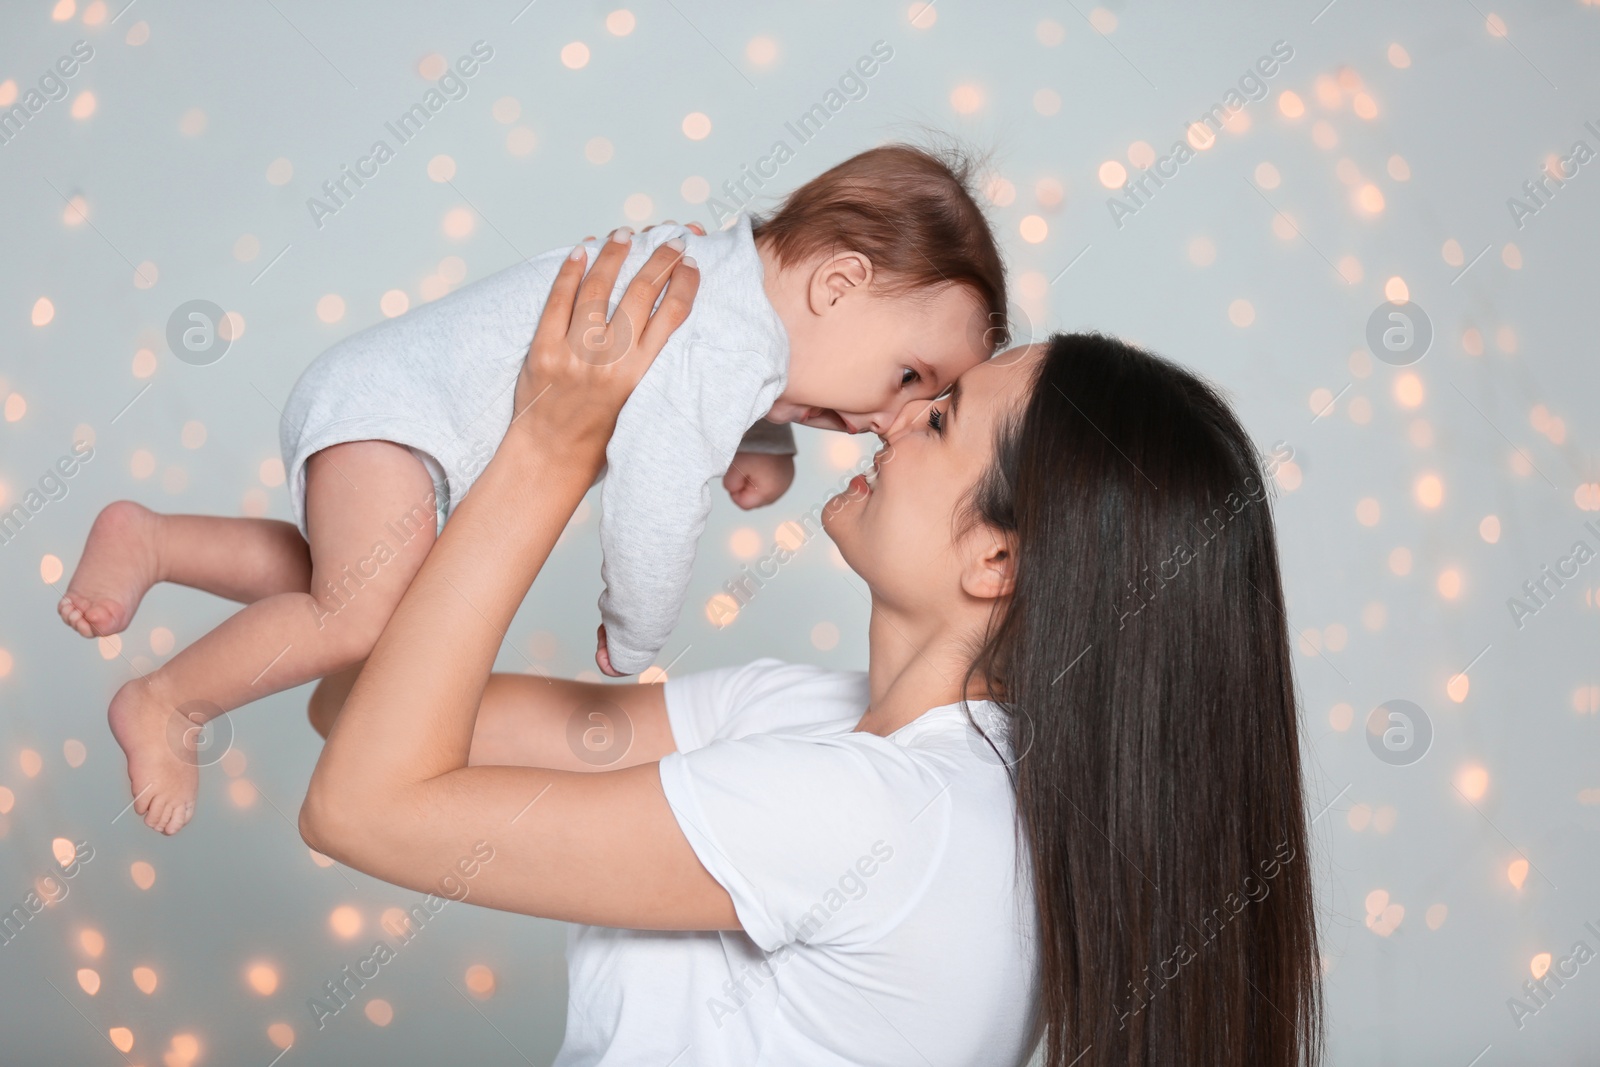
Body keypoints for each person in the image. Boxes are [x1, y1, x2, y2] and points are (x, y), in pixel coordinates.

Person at [300, 229, 1323, 1065]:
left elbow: (363, 805)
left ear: (995, 559)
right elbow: (354, 710)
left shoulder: (877, 813)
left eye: (941, 415)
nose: (890, 418)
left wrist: (551, 444)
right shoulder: (814, 722)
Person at [53, 144, 1009, 834]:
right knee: (359, 618)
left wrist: (764, 443)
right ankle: (171, 700)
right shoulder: (731, 345)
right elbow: (656, 494)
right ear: (839, 284)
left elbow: (710, 385)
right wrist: (636, 625)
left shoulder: (730, 293)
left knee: (348, 591)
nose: (896, 417)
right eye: (909, 379)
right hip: (402, 419)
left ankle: (158, 540)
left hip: (383, 401)